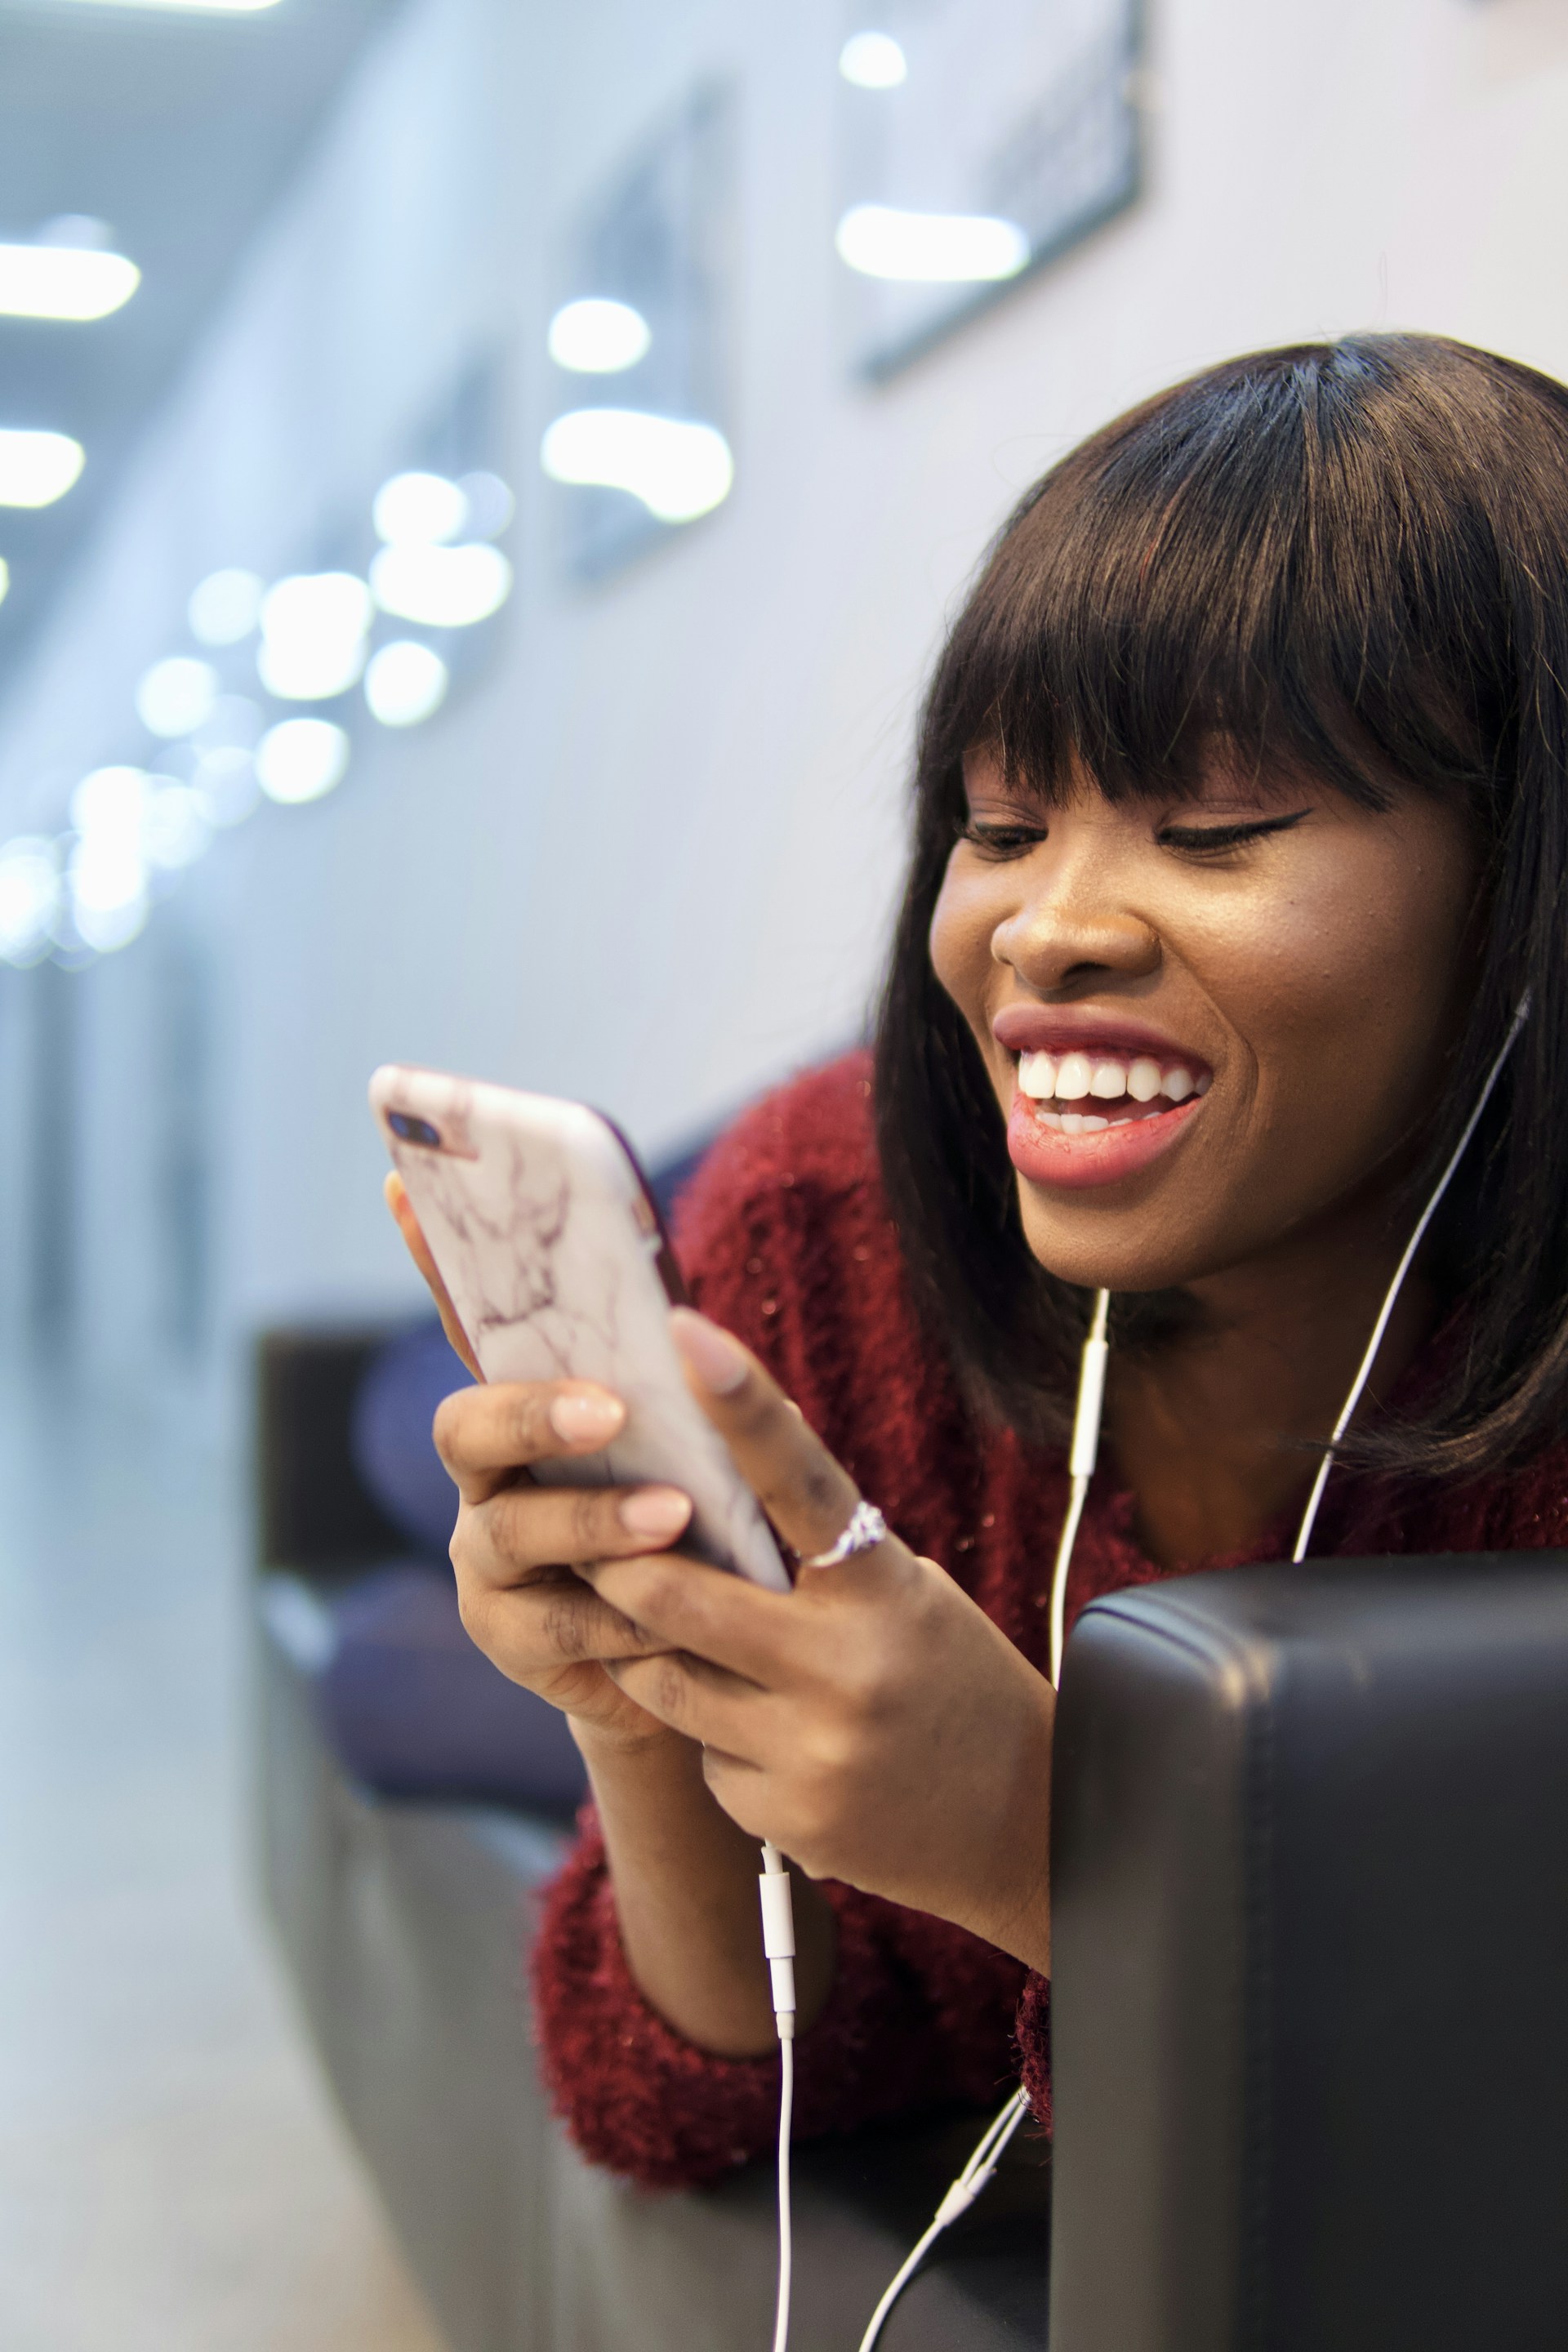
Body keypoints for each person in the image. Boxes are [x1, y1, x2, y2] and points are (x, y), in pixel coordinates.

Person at [389, 333, 1568, 2189]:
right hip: (814, 1199)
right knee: (420, 1511)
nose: (1049, 929)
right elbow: (685, 2099)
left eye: (1217, 831)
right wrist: (635, 1719)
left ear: (1526, 892)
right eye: (999, 829)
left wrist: (1041, 1839)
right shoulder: (819, 1218)